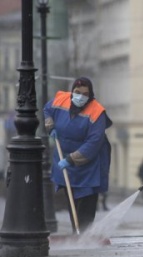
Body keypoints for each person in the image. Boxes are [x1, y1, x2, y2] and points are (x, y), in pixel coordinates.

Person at [44, 77, 112, 233]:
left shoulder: (96, 111)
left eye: (85, 94)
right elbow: (47, 110)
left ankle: (84, 233)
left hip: (89, 164)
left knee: (86, 198)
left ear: (90, 94)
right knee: (71, 196)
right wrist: (50, 126)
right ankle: (77, 231)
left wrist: (71, 159)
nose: (80, 96)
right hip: (64, 157)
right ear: (72, 91)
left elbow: (93, 143)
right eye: (77, 92)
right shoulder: (61, 99)